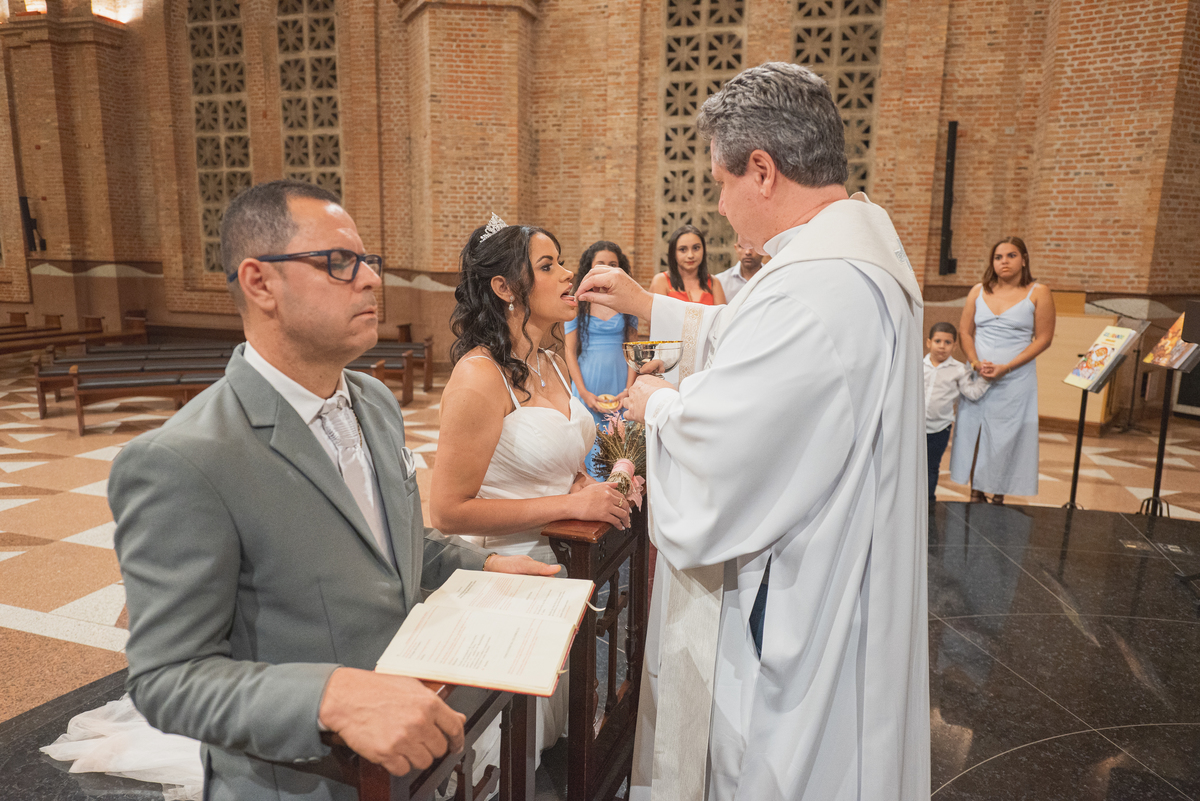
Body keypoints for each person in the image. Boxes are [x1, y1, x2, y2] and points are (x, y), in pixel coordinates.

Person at [106, 180, 558, 801]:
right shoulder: (182, 459)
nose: (371, 280)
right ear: (260, 282)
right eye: (340, 263)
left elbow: (388, 542)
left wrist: (486, 564)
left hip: (413, 749)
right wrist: (328, 696)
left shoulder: (372, 400)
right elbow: (167, 679)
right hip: (307, 778)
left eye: (368, 261)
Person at [578, 62, 929, 801]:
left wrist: (655, 405)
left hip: (802, 605)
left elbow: (724, 451)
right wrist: (649, 304)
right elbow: (752, 342)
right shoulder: (852, 257)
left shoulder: (813, 289)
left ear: (762, 171)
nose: (719, 204)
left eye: (721, 181)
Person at [429, 217, 633, 773]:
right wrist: (570, 505)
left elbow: (560, 458)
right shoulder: (479, 376)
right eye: (548, 266)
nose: (568, 274)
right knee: (511, 757)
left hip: (565, 567)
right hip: (509, 575)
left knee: (554, 746)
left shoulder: (549, 361)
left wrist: (588, 483)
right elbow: (447, 511)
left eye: (562, 261)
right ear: (504, 287)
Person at [950, 236, 1056, 505]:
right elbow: (965, 331)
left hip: (1015, 378)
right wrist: (975, 363)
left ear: (1024, 259)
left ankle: (998, 493)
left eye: (1011, 256)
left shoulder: (1039, 292)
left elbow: (1044, 338)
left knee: (1006, 435)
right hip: (978, 375)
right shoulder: (978, 291)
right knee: (974, 431)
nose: (1004, 262)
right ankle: (975, 491)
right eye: (998, 257)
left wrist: (1006, 367)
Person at [924, 322, 989, 505]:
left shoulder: (959, 370)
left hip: (939, 429)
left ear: (954, 346)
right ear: (929, 343)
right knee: (909, 465)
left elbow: (972, 393)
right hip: (914, 427)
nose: (942, 346)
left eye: (947, 342)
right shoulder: (918, 365)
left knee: (931, 466)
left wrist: (986, 378)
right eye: (937, 341)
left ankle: (928, 501)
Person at [649, 224, 727, 305]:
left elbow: (722, 313)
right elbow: (657, 313)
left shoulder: (714, 282)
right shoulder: (661, 281)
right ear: (673, 252)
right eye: (682, 249)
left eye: (696, 248)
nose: (690, 255)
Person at [713, 234, 764, 302]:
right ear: (736, 248)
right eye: (742, 246)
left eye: (753, 246)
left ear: (763, 249)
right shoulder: (720, 282)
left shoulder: (773, 277)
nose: (748, 252)